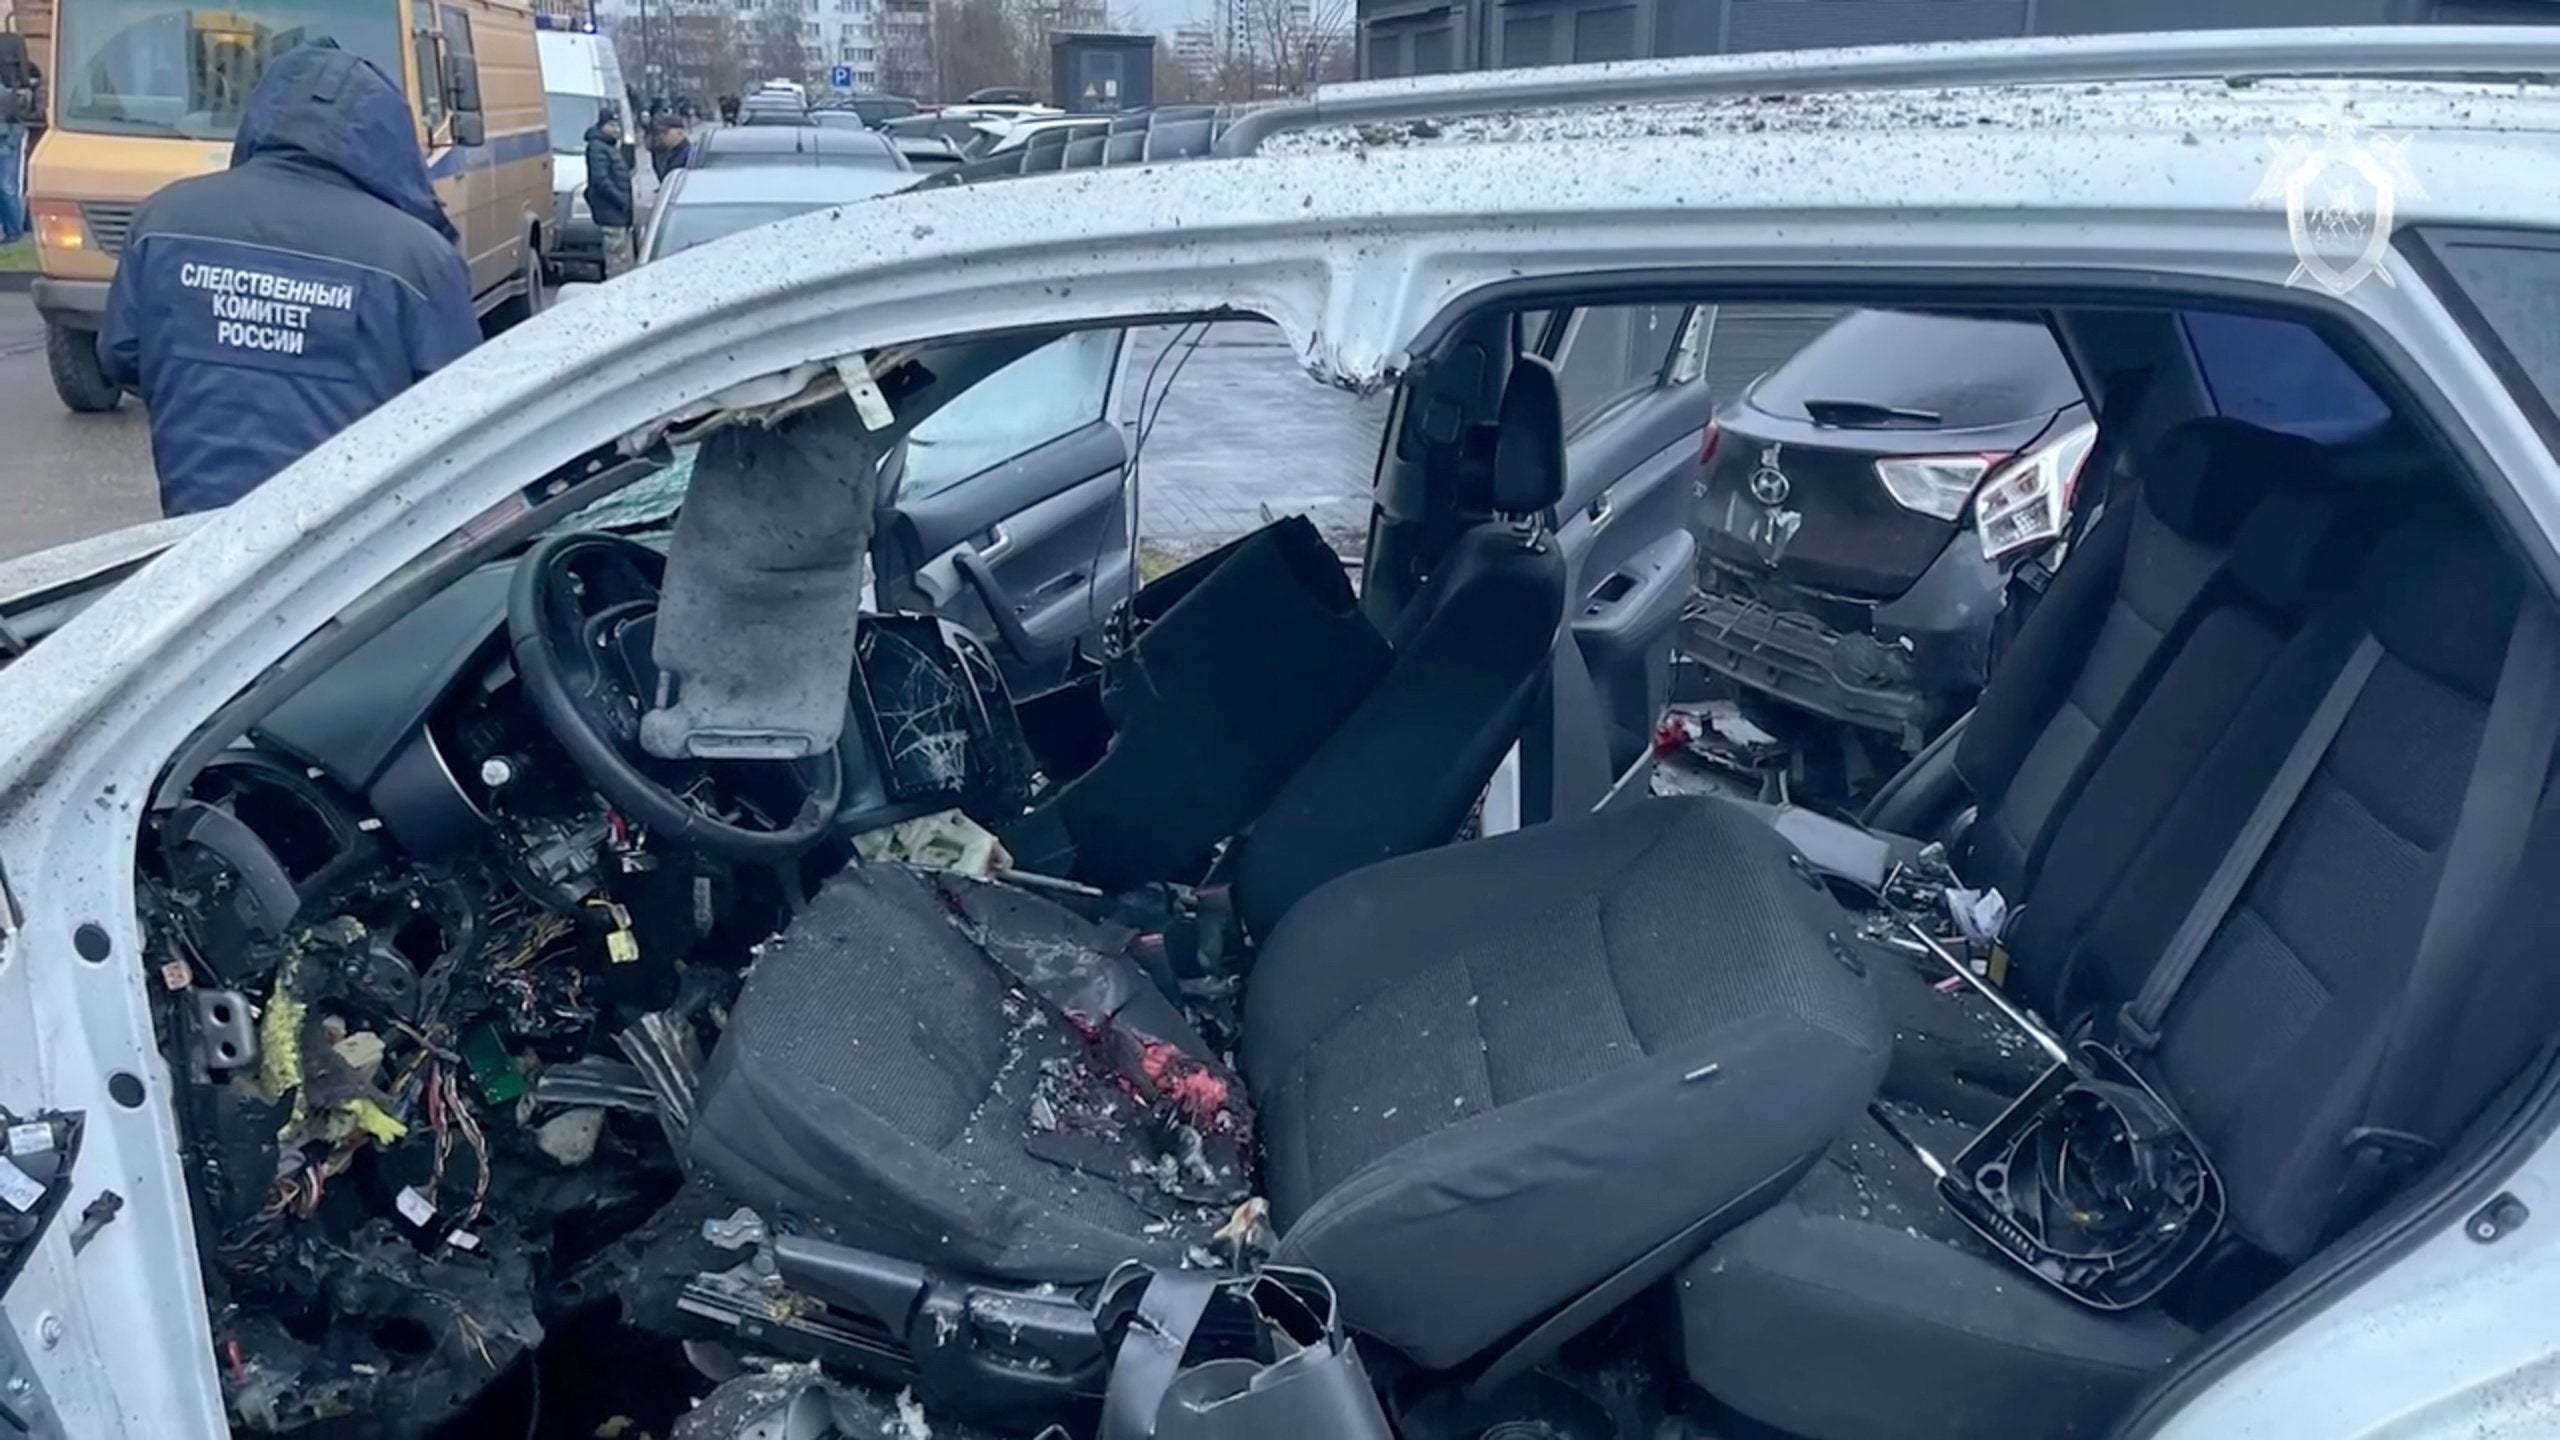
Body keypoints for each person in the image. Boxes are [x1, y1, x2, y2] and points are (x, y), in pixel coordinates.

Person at [97, 42, 478, 517]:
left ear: (262, 115)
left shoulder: (163, 218)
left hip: (196, 532)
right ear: (387, 137)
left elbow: (121, 354)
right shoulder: (417, 257)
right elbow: (463, 412)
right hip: (349, 547)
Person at [584, 107, 636, 276]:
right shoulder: (597, 148)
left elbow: (625, 169)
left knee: (624, 261)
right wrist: (621, 201)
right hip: (612, 214)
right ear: (602, 126)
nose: (616, 130)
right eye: (612, 125)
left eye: (618, 126)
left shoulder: (610, 147)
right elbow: (601, 180)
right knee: (617, 263)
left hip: (619, 215)